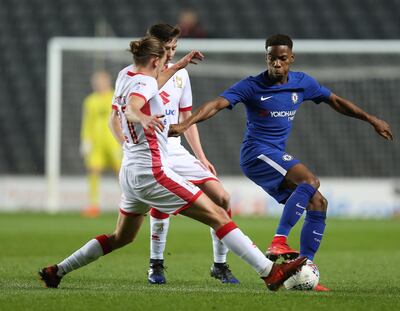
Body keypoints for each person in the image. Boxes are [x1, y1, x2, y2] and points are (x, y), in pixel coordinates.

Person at [38, 36, 306, 291]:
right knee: (218, 215)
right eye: (166, 56)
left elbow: (144, 90)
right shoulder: (144, 85)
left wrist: (179, 66)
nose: (168, 61)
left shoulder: (126, 75)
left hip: (130, 172)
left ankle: (57, 271)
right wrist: (141, 118)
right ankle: (270, 273)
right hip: (152, 171)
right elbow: (133, 106)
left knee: (121, 237)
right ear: (155, 60)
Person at [169, 34, 394, 291]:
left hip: (273, 153)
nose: (276, 64)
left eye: (282, 59)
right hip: (256, 154)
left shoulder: (302, 83)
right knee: (310, 180)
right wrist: (186, 123)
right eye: (271, 58)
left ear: (291, 59)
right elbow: (216, 104)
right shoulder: (252, 85)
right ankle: (279, 241)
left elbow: (336, 101)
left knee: (318, 202)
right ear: (266, 58)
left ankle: (303, 270)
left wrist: (371, 119)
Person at [143, 23, 238, 285]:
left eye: (175, 47)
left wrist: (201, 156)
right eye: (167, 48)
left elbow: (187, 118)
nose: (172, 53)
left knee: (223, 199)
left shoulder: (182, 76)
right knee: (160, 205)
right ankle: (156, 264)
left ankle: (220, 265)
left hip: (176, 151)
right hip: (152, 151)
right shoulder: (140, 76)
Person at [80, 70, 122, 217]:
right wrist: (85, 140)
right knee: (93, 171)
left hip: (114, 141)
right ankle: (93, 205)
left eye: (101, 81)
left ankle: (131, 202)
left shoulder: (115, 96)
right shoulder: (90, 101)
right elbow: (87, 122)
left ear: (108, 82)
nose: (99, 84)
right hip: (96, 143)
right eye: (96, 81)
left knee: (122, 173)